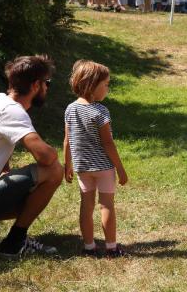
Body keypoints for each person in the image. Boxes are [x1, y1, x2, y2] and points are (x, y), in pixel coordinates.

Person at [0, 55, 63, 257]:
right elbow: (46, 158)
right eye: (47, 83)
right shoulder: (12, 111)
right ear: (36, 85)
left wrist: (6, 171)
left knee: (26, 187)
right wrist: (55, 151)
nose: (47, 88)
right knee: (54, 171)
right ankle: (15, 242)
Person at [64, 60, 128, 257]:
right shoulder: (100, 111)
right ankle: (111, 248)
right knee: (106, 205)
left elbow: (67, 141)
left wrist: (67, 165)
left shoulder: (70, 109)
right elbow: (108, 143)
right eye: (106, 84)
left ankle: (89, 247)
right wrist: (121, 169)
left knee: (86, 206)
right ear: (92, 85)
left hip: (82, 168)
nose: (107, 89)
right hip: (104, 168)